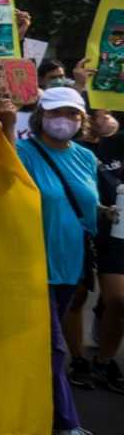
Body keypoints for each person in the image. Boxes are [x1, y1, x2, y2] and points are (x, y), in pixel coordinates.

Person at [14, 87, 105, 435]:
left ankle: (34, 414)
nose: (63, 119)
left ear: (82, 119)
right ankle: (66, 426)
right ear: (40, 116)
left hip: (71, 265)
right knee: (54, 348)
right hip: (31, 265)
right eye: (55, 112)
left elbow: (88, 207)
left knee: (39, 348)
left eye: (72, 113)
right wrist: (5, 118)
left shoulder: (86, 157)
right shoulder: (24, 152)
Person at [66, 104, 124, 394]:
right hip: (79, 228)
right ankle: (77, 359)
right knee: (76, 296)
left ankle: (104, 360)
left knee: (119, 299)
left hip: (117, 230)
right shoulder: (67, 145)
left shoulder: (119, 144)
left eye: (110, 112)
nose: (105, 117)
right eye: (97, 112)